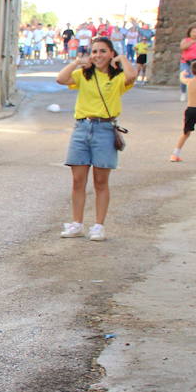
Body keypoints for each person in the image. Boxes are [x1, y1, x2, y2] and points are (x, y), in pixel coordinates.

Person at [55, 37, 137, 242]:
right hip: (82, 128)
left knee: (101, 181)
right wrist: (77, 62)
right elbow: (61, 79)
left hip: (105, 128)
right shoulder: (83, 75)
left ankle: (99, 226)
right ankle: (77, 223)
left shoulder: (117, 78)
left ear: (111, 54)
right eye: (94, 51)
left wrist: (122, 58)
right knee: (77, 180)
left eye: (102, 51)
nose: (97, 55)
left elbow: (132, 75)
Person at [178, 25, 196, 100]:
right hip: (185, 61)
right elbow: (182, 48)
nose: (194, 34)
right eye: (193, 32)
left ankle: (193, 94)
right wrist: (191, 42)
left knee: (194, 78)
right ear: (189, 33)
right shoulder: (185, 40)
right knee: (184, 77)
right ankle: (183, 92)